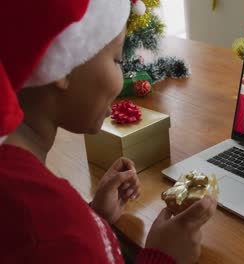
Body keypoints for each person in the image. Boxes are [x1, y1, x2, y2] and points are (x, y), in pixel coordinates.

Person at [0, 1, 216, 263]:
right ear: (64, 63)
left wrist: (94, 217)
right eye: (117, 59)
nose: (123, 76)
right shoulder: (53, 228)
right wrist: (163, 256)